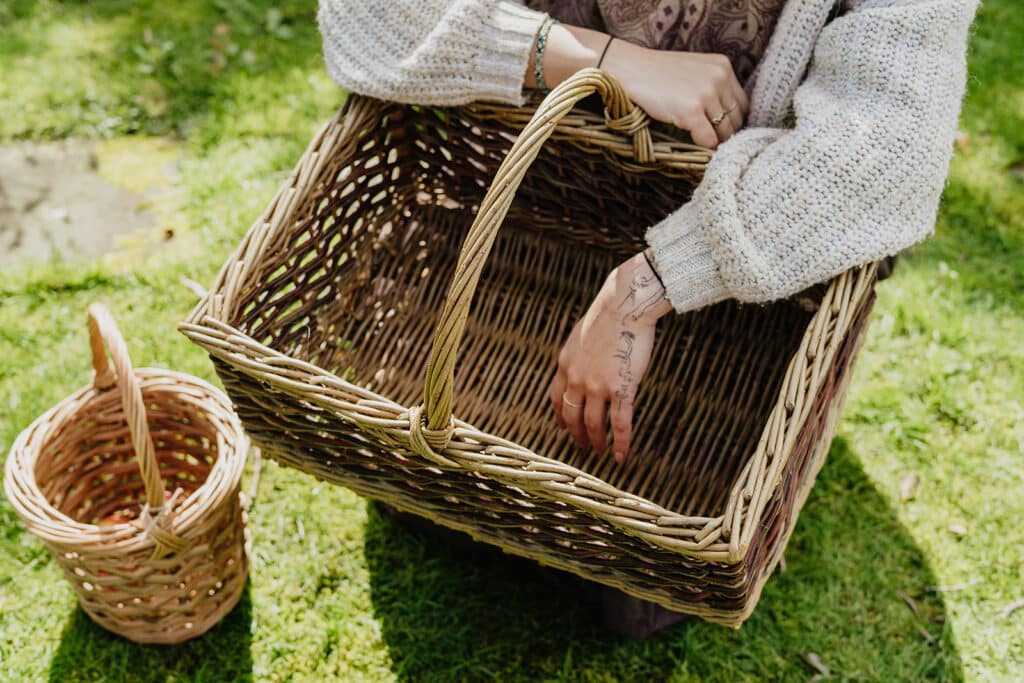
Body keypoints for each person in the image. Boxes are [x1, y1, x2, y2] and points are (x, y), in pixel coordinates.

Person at [317, 0, 978, 638]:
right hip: (530, 184)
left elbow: (885, 151)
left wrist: (650, 282)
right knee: (417, 485)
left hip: (737, 253)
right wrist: (602, 60)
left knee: (645, 588)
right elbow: (369, 14)